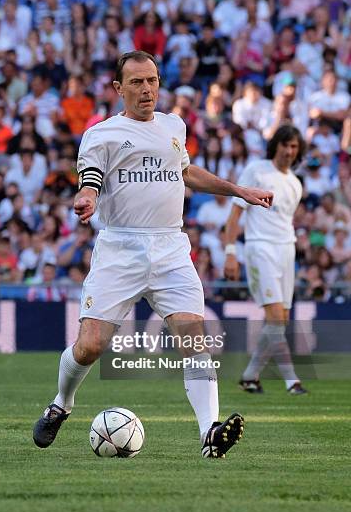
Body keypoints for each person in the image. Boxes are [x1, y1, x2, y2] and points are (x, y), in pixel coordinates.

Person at [32, 51, 273, 457]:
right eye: (137, 82)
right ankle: (61, 404)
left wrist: (239, 190)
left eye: (153, 81)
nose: (147, 90)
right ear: (118, 88)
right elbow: (91, 177)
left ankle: (208, 434)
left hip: (170, 247)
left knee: (194, 337)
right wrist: (88, 196)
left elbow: (186, 172)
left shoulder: (173, 125)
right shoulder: (102, 134)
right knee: (90, 346)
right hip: (120, 247)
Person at [224, 124, 307, 395]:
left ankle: (250, 376)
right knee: (273, 317)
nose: (289, 151)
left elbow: (286, 222)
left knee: (279, 320)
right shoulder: (256, 170)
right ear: (276, 146)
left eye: (294, 146)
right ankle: (291, 380)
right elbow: (235, 215)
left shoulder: (295, 184)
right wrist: (231, 252)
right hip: (259, 248)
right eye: (285, 145)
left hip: (286, 249)